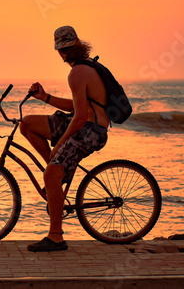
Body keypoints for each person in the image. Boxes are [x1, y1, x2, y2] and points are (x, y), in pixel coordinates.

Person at [20, 26, 109, 252]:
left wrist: (58, 145)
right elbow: (77, 106)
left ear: (62, 51)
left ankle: (56, 237)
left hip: (91, 131)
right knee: (27, 123)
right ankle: (57, 170)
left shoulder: (77, 72)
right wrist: (45, 97)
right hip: (85, 123)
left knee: (50, 174)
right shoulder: (84, 68)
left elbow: (79, 117)